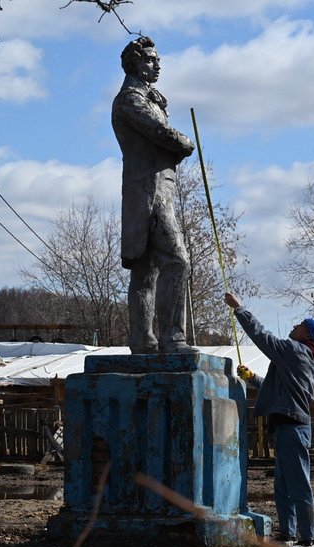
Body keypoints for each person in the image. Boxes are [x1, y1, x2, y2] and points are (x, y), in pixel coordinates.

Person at [112, 36, 197, 354]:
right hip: (148, 193)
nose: (157, 64)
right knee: (177, 260)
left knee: (147, 269)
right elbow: (161, 134)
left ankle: (143, 340)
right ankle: (172, 337)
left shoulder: (149, 99)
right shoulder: (131, 99)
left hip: (156, 190)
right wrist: (184, 142)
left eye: (157, 59)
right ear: (134, 63)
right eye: (150, 59)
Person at [224, 292, 314, 547]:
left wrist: (240, 309)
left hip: (293, 428)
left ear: (307, 335)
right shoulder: (298, 358)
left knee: (298, 484)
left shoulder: (294, 351)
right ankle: (289, 535)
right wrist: (253, 378)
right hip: (286, 426)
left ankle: (308, 542)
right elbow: (278, 390)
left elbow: (263, 338)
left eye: (300, 325)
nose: (294, 327)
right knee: (282, 485)